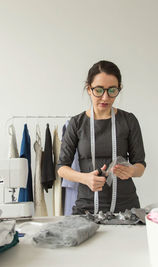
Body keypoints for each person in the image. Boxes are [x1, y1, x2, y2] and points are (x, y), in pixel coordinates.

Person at [57, 60, 146, 215]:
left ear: (119, 89)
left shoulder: (129, 120)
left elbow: (140, 166)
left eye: (112, 90)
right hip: (87, 207)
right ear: (89, 89)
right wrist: (85, 178)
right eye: (99, 90)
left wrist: (131, 171)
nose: (105, 97)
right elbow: (61, 168)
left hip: (126, 208)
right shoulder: (76, 123)